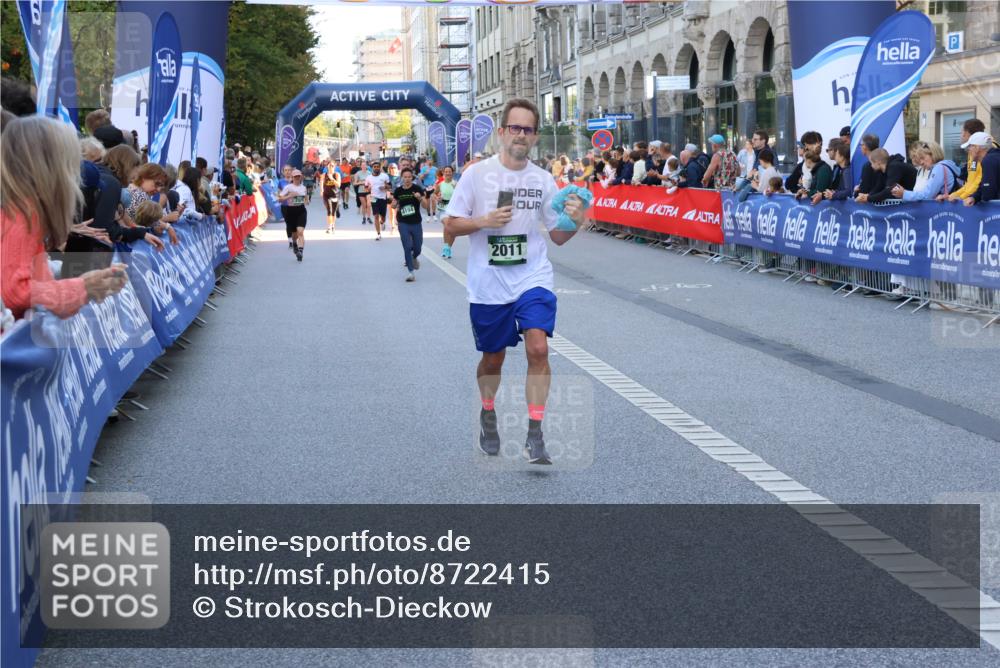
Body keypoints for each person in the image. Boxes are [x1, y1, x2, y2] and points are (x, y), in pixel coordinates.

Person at [442, 98, 587, 465]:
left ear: (535, 136)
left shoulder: (542, 179)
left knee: (538, 348)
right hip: (489, 283)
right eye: (515, 128)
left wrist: (577, 219)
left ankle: (535, 434)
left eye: (528, 129)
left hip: (532, 275)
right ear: (502, 132)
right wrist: (483, 221)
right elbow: (451, 225)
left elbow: (558, 236)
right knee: (493, 360)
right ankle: (488, 412)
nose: (521, 135)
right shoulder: (477, 175)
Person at [1, 116, 127, 320]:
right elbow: (16, 292)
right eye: (70, 161)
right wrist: (84, 287)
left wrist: (84, 283)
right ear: (50, 165)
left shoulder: (20, 206)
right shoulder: (22, 211)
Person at [389, 167, 426, 281]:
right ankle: (411, 272)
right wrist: (393, 204)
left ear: (412, 178)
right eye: (405, 177)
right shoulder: (398, 191)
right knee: (407, 247)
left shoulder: (417, 189)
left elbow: (425, 206)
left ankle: (414, 257)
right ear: (402, 178)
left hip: (416, 222)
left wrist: (420, 198)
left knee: (418, 247)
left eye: (409, 177)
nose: (407, 179)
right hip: (403, 222)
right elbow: (393, 204)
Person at [892, 140, 960, 201]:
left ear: (933, 154)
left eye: (923, 158)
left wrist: (904, 194)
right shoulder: (947, 165)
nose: (921, 162)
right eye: (919, 159)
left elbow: (927, 195)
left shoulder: (939, 168)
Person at [960, 132, 1000, 205]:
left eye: (970, 146)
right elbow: (984, 185)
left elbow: (988, 193)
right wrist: (974, 197)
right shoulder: (993, 157)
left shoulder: (989, 160)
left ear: (977, 148)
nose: (968, 150)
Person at [277, 169, 308, 261]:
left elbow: (306, 200)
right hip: (291, 211)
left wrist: (305, 201)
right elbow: (279, 199)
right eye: (295, 176)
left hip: (301, 210)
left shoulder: (303, 188)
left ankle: (300, 252)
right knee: (294, 234)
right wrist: (289, 196)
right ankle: (294, 243)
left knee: (300, 232)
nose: (297, 178)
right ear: (292, 178)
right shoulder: (288, 187)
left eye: (298, 176)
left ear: (301, 177)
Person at [436, 165, 458, 259]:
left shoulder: (456, 184)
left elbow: (461, 196)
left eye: (449, 171)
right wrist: (438, 198)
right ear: (443, 173)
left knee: (453, 230)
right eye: (446, 171)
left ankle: (448, 248)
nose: (448, 173)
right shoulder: (440, 184)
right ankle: (446, 246)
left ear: (452, 173)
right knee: (447, 225)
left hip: (454, 209)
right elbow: (435, 194)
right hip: (443, 209)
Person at [365, 161, 391, 241]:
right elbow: (366, 189)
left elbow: (390, 186)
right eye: (374, 167)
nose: (376, 168)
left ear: (380, 168)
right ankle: (378, 234)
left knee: (383, 217)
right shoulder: (368, 177)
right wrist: (368, 189)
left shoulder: (385, 176)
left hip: (383, 198)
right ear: (372, 168)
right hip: (374, 198)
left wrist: (385, 187)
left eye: (378, 167)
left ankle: (382, 222)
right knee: (376, 216)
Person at [321, 164, 341, 234]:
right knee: (329, 210)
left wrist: (332, 178)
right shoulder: (324, 175)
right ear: (327, 167)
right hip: (326, 195)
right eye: (329, 166)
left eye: (332, 166)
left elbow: (338, 185)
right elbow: (321, 182)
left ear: (334, 167)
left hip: (335, 195)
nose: (331, 167)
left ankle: (333, 225)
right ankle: (329, 226)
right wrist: (321, 190)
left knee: (333, 212)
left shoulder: (337, 174)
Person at [352, 159, 371, 224]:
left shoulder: (369, 173)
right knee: (364, 205)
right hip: (361, 191)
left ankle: (369, 218)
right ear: (361, 166)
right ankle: (364, 218)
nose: (364, 166)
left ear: (366, 166)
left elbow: (372, 182)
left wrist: (369, 184)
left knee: (368, 204)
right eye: (362, 165)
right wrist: (362, 182)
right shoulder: (358, 173)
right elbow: (354, 183)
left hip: (368, 190)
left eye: (365, 165)